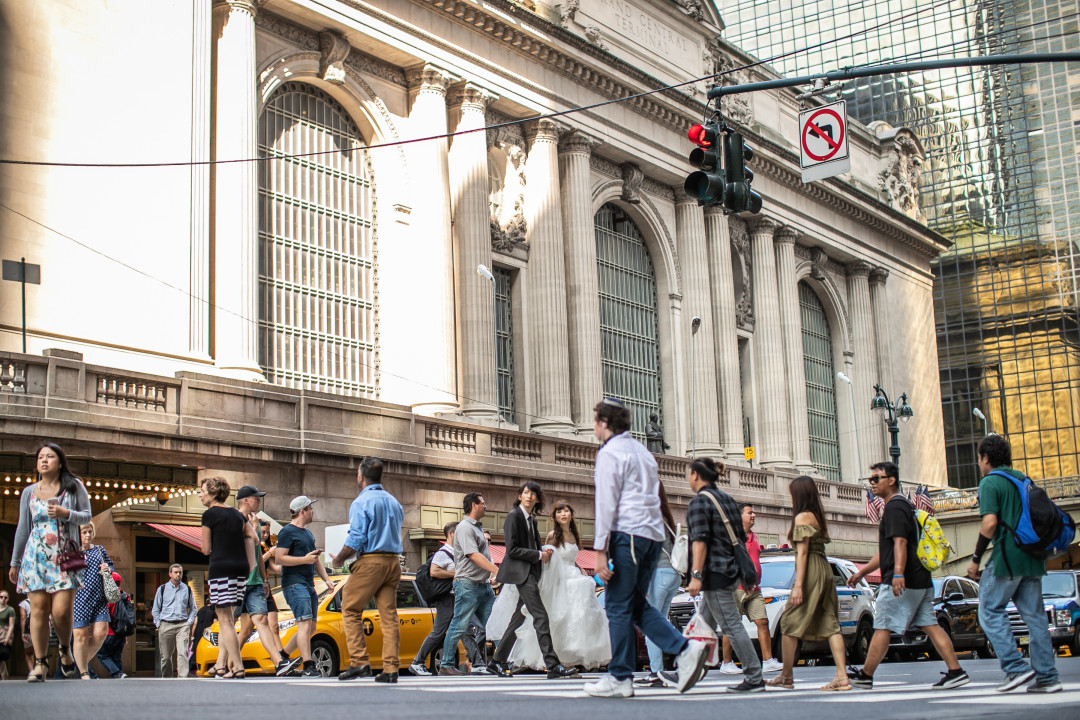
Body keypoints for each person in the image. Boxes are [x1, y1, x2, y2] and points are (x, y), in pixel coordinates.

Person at [584, 398, 707, 699]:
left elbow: (606, 502)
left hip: (630, 535)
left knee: (616, 604)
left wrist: (600, 550)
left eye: (595, 421)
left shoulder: (610, 453)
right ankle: (681, 651)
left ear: (603, 423)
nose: (594, 427)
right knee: (635, 604)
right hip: (652, 538)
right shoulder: (643, 452)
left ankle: (622, 676)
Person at [847, 461, 969, 691]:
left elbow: (900, 543)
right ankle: (956, 671)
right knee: (931, 625)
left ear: (891, 480)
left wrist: (898, 574)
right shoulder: (903, 506)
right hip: (920, 579)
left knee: (882, 625)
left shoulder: (894, 507)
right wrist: (862, 572)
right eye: (870, 479)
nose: (872, 483)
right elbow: (887, 550)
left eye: (876, 478)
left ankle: (865, 675)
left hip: (903, 580)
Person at [966, 434, 1061, 693]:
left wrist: (975, 559)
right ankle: (1047, 678)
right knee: (1036, 618)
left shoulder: (990, 482)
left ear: (985, 458)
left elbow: (990, 524)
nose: (979, 463)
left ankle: (1015, 668)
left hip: (1008, 557)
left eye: (978, 458)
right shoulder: (1022, 478)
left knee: (989, 611)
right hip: (1033, 557)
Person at [490, 499, 611, 671]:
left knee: (575, 618)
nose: (563, 514)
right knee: (547, 619)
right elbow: (549, 561)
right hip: (557, 580)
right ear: (554, 516)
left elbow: (571, 560)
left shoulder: (574, 535)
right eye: (559, 511)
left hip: (573, 576)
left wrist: (582, 570)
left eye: (566, 511)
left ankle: (566, 659)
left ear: (571, 514)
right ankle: (547, 662)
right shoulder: (552, 535)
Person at [678, 458, 764, 693]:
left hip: (714, 574)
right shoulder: (727, 500)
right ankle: (686, 669)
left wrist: (695, 575)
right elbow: (739, 539)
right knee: (703, 623)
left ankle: (755, 677)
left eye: (689, 474)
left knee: (731, 626)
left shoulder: (699, 503)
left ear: (695, 475)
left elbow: (700, 541)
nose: (688, 479)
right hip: (729, 571)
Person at [8, 442, 92, 682]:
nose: (44, 460)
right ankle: (40, 663)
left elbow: (87, 515)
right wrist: (15, 561)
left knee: (61, 611)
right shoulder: (28, 492)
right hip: (35, 557)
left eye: (50, 456)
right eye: (40, 457)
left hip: (64, 555)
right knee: (38, 610)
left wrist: (67, 514)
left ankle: (65, 648)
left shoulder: (73, 486)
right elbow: (23, 529)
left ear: (60, 462)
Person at [486, 483, 579, 680]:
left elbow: (538, 548)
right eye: (526, 493)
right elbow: (511, 550)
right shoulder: (514, 516)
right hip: (521, 574)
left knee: (519, 617)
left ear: (537, 499)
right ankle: (553, 665)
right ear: (520, 496)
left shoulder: (532, 521)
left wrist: (543, 558)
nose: (529, 496)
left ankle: (495, 661)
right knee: (540, 616)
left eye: (533, 494)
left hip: (532, 574)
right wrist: (538, 554)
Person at [767, 475, 850, 691]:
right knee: (830, 622)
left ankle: (786, 675)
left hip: (811, 570)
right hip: (824, 568)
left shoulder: (802, 517)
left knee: (789, 622)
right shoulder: (816, 516)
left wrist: (798, 585)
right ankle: (842, 675)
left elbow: (802, 554)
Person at [332, 457, 405, 683]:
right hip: (393, 562)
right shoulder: (394, 502)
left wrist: (339, 559)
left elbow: (356, 537)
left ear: (361, 475)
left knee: (350, 608)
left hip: (371, 560)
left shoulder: (361, 502)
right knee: (389, 616)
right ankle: (391, 668)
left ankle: (359, 662)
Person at [233, 485, 300, 677]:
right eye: (256, 498)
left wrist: (264, 581)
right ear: (246, 500)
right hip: (238, 582)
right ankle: (226, 663)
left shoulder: (255, 522)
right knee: (232, 625)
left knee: (260, 621)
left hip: (254, 584)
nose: (259, 501)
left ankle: (280, 663)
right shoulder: (237, 520)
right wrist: (253, 532)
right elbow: (242, 552)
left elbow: (257, 555)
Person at [199, 476, 257, 679]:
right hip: (240, 569)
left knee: (224, 619)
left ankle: (238, 666)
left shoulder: (209, 515)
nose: (200, 494)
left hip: (221, 568)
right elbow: (253, 537)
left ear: (213, 491)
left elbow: (205, 549)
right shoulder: (236, 514)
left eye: (202, 490)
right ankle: (221, 665)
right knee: (228, 618)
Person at [439, 493, 499, 675]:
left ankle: (505, 661)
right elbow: (472, 555)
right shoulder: (465, 528)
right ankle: (446, 664)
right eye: (483, 503)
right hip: (468, 586)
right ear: (474, 505)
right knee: (459, 625)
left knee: (495, 622)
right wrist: (496, 570)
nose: (486, 506)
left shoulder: (475, 528)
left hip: (482, 585)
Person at [720, 504, 783, 675]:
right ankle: (726, 662)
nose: (753, 515)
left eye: (753, 512)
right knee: (732, 625)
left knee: (762, 621)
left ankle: (768, 660)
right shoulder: (733, 537)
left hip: (754, 589)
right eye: (750, 513)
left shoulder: (754, 537)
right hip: (736, 588)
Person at [276, 495, 335, 677]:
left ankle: (283, 658)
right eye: (310, 508)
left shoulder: (308, 534)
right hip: (294, 584)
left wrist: (326, 579)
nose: (313, 511)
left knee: (311, 627)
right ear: (302, 511)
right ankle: (308, 666)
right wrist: (305, 559)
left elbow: (315, 560)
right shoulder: (287, 532)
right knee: (304, 624)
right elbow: (279, 558)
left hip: (308, 584)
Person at [636, 481, 684, 687]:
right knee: (661, 623)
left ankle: (657, 672)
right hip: (673, 574)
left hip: (658, 575)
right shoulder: (665, 517)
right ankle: (681, 660)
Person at [410, 521, 462, 675]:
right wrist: (456, 574)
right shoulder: (442, 553)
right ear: (451, 534)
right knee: (438, 632)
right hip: (445, 599)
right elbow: (434, 572)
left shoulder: (456, 552)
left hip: (455, 598)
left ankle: (452, 664)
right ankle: (418, 662)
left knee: (462, 631)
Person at [70, 521, 115, 679]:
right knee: (80, 635)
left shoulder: (99, 549)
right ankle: (83, 671)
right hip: (79, 598)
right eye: (84, 532)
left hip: (99, 598)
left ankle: (77, 664)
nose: (88, 535)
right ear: (78, 534)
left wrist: (108, 569)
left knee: (101, 633)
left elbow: (110, 565)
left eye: (90, 532)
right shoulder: (72, 550)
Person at [152, 563, 198, 678]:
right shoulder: (162, 589)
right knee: (166, 656)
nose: (178, 575)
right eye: (175, 572)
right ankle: (167, 679)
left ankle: (182, 679)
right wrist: (159, 624)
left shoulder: (187, 589)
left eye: (180, 572)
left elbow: (193, 608)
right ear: (170, 574)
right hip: (166, 625)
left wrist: (188, 623)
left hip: (182, 625)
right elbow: (155, 609)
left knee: (182, 653)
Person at [258, 520, 287, 664]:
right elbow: (256, 563)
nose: (265, 535)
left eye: (267, 532)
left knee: (274, 625)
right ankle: (230, 659)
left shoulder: (264, 546)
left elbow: (274, 567)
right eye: (263, 532)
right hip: (254, 588)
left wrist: (292, 563)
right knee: (246, 630)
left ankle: (282, 655)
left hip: (265, 587)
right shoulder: (252, 544)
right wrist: (270, 552)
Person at [96, 572, 128, 679]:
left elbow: (105, 614)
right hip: (121, 632)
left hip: (109, 632)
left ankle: (116, 673)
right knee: (117, 657)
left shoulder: (108, 596)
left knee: (102, 655)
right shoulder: (125, 595)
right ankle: (120, 676)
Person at [0, 590, 15, 680]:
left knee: (1, 654)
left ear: (8, 599)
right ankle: (4, 676)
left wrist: (7, 637)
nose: (3, 599)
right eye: (1, 597)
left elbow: (11, 625)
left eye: (5, 597)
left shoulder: (10, 610)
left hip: (5, 632)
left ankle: (4, 677)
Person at [18, 597, 33, 675]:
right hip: (42, 629)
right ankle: (42, 670)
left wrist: (23, 632)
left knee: (29, 653)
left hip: (29, 630)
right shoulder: (45, 600)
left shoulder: (24, 603)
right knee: (41, 653)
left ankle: (31, 671)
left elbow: (23, 617)